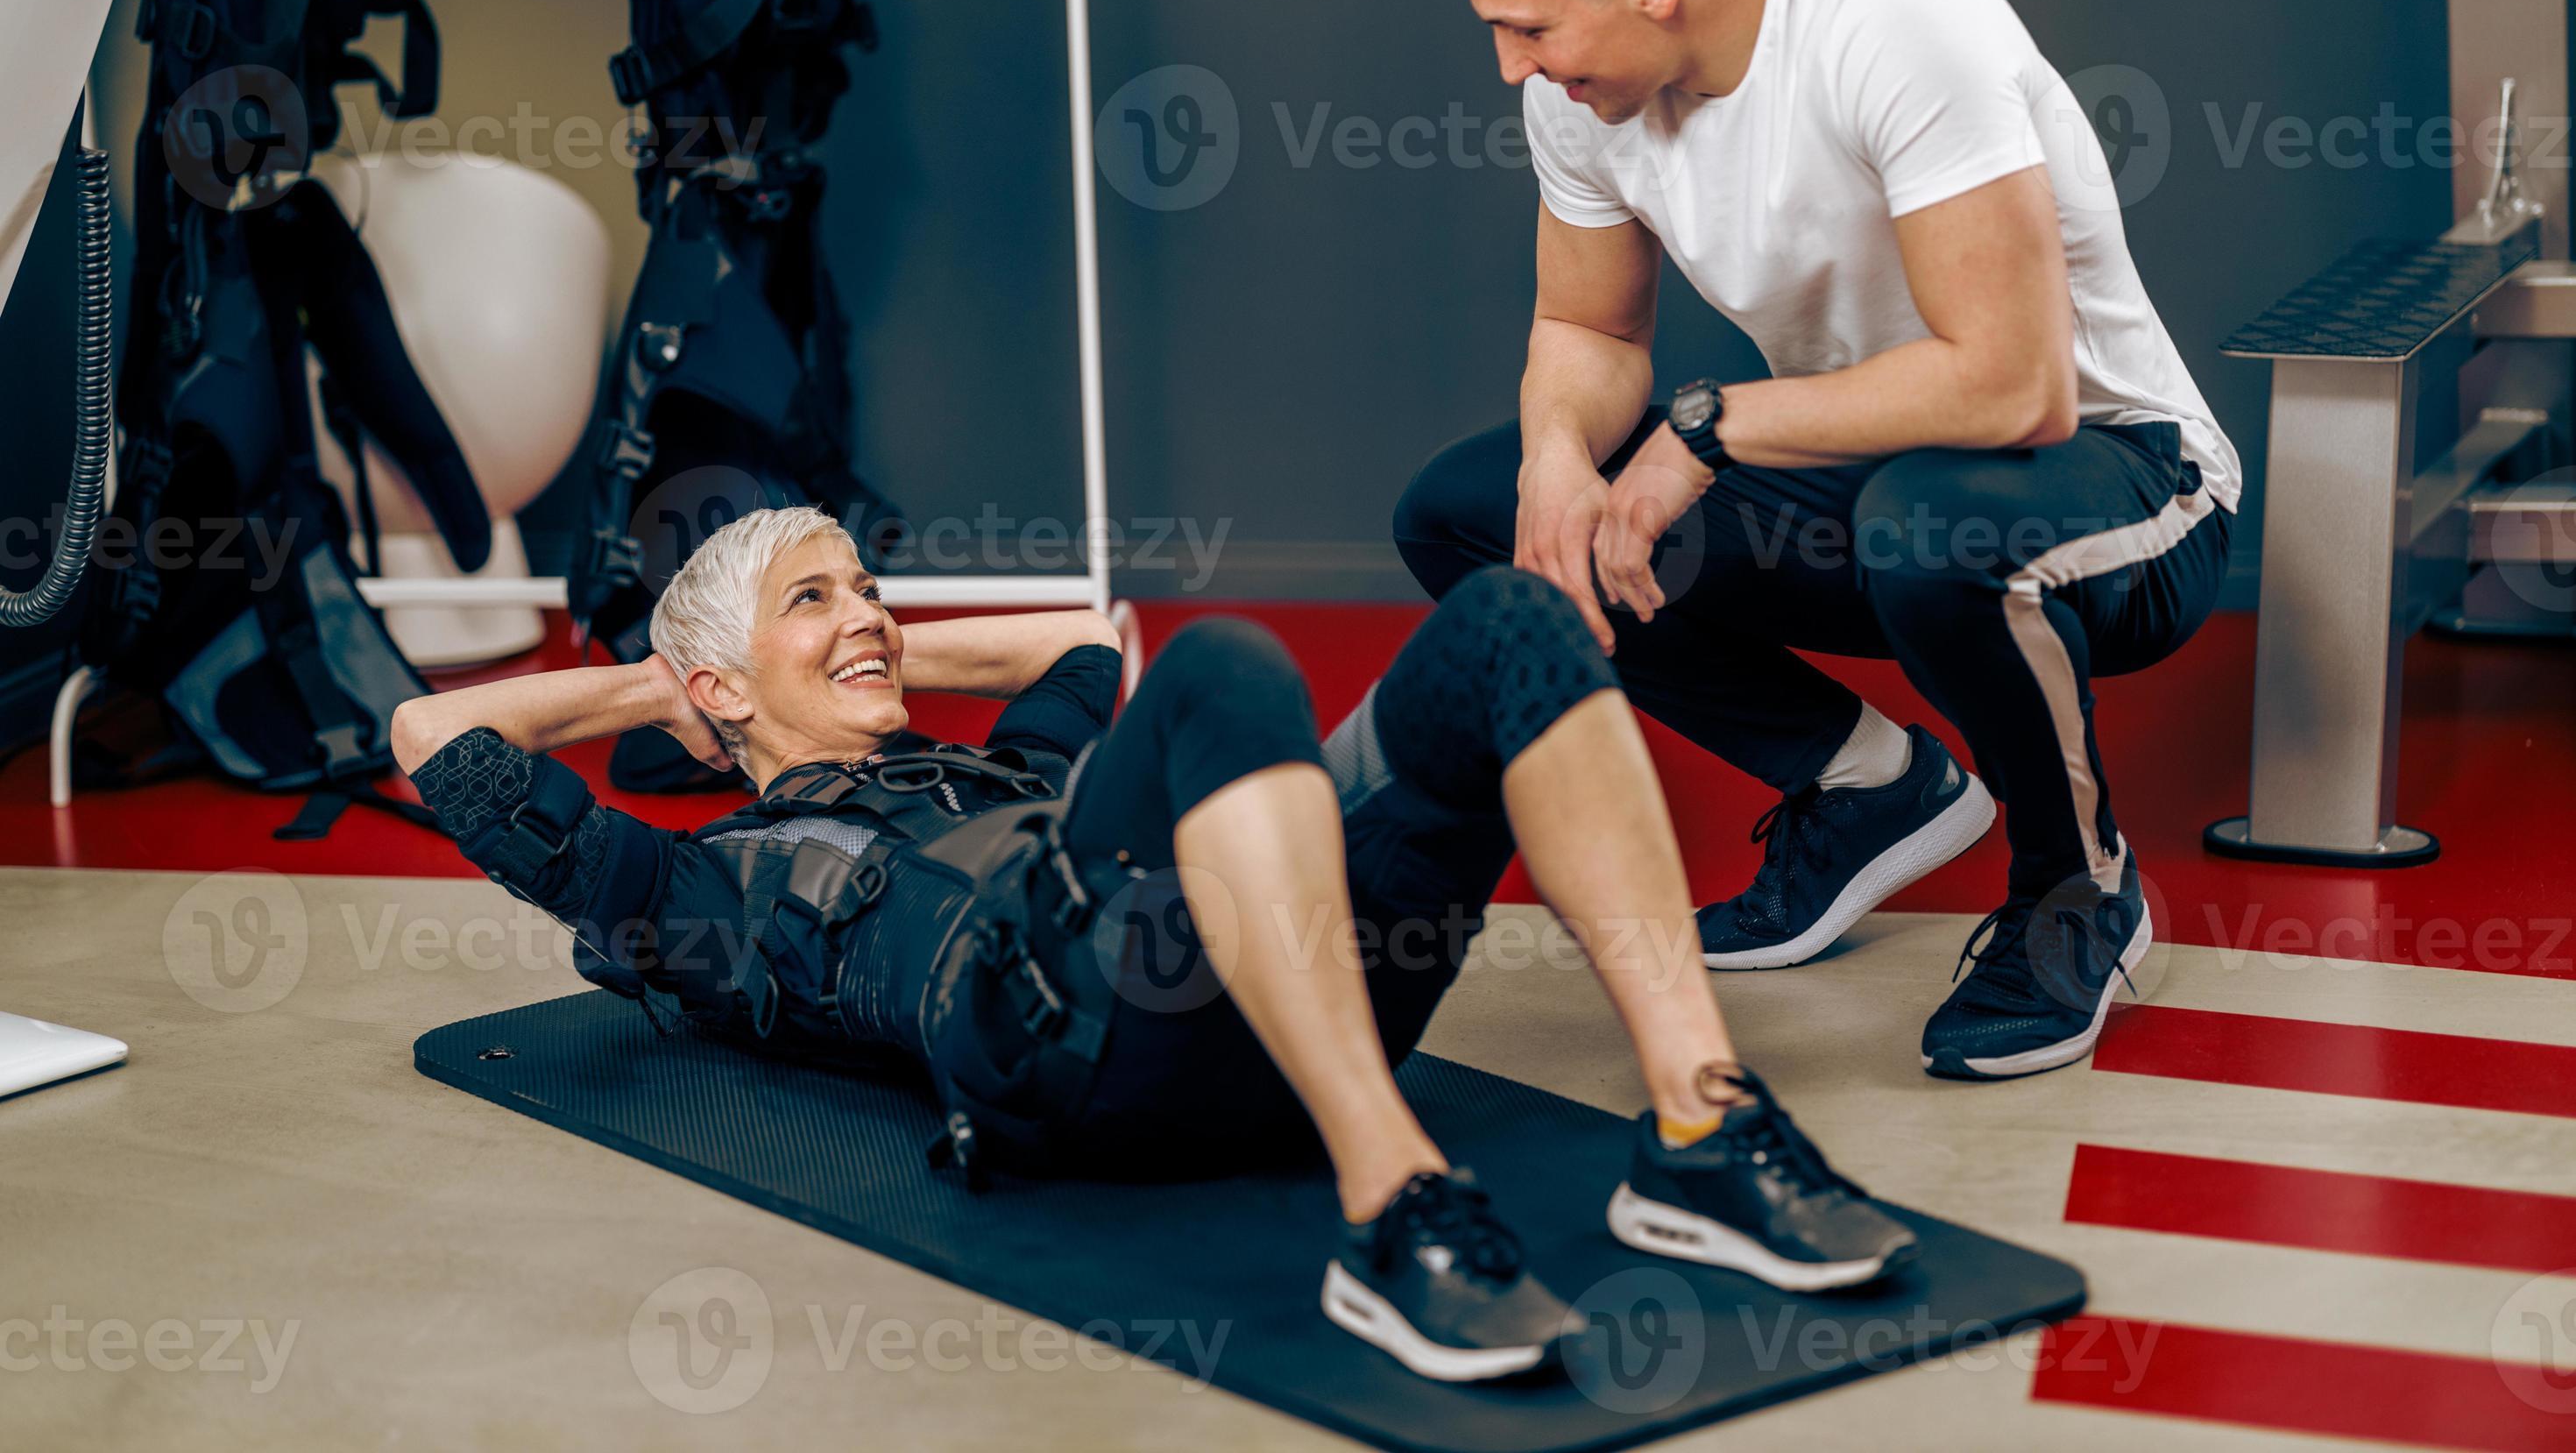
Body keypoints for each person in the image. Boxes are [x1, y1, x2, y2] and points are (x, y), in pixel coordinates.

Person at [391, 506, 1917, 1385]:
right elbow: (434, 734)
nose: (870, 615)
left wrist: (824, 650)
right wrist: (671, 687)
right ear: (719, 684)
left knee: (1511, 620)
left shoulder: (1018, 771)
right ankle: (1393, 1201)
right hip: (1058, 1036)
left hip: (1233, 980)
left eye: (872, 586)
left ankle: (1702, 1123)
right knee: (1226, 670)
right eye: (819, 597)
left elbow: (1083, 642)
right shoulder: (693, 894)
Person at [1398, 0, 2239, 1082]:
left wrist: (1707, 428)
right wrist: (1560, 461)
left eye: (1526, 30)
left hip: (2125, 485)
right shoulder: (1587, 101)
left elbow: (2018, 389)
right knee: (1474, 510)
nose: (1512, 66)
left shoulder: (1892, 17)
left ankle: (2081, 891)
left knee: (1929, 521)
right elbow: (1591, 334)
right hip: (1880, 479)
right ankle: (1865, 790)